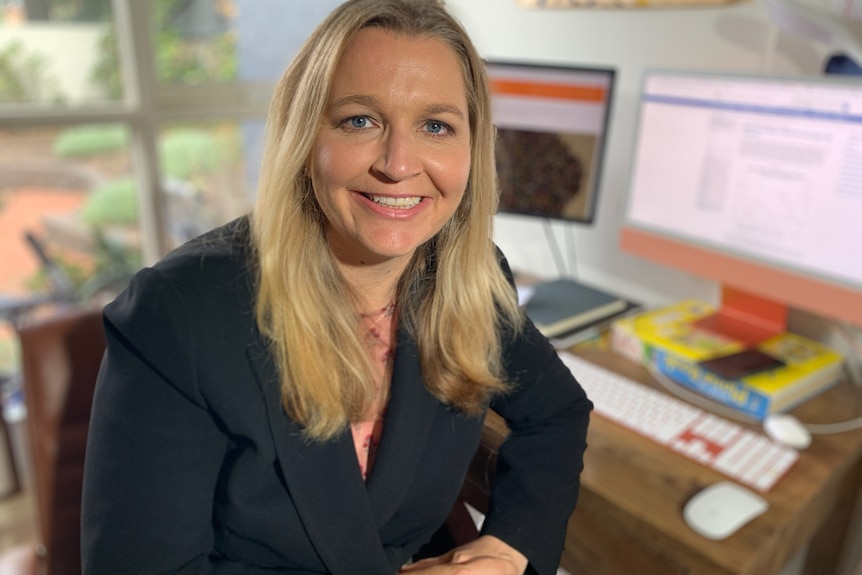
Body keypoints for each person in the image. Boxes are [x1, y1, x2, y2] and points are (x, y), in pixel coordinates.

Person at [80, 1, 593, 573]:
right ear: (305, 138)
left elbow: (558, 414)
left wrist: (510, 546)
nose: (399, 165)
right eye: (360, 121)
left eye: (436, 126)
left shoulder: (467, 277)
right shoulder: (179, 313)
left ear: (473, 147)